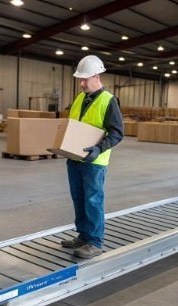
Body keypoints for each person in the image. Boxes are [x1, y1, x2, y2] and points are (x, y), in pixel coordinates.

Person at [60, 55, 124, 259]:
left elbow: (117, 132)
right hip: (75, 159)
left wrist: (99, 148)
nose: (81, 83)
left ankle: (94, 242)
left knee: (93, 201)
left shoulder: (109, 101)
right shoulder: (80, 98)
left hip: (94, 162)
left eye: (85, 79)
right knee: (78, 199)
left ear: (97, 76)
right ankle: (83, 236)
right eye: (80, 79)